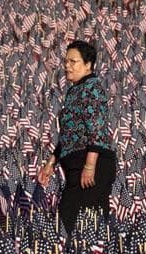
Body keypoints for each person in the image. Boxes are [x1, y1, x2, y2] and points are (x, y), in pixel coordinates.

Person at [37, 40, 117, 234]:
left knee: (84, 224)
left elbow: (97, 131)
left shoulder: (93, 88)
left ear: (88, 65)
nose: (67, 66)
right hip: (75, 165)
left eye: (73, 62)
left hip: (92, 165)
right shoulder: (74, 91)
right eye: (66, 61)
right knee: (69, 221)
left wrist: (89, 167)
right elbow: (69, 134)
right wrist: (50, 163)